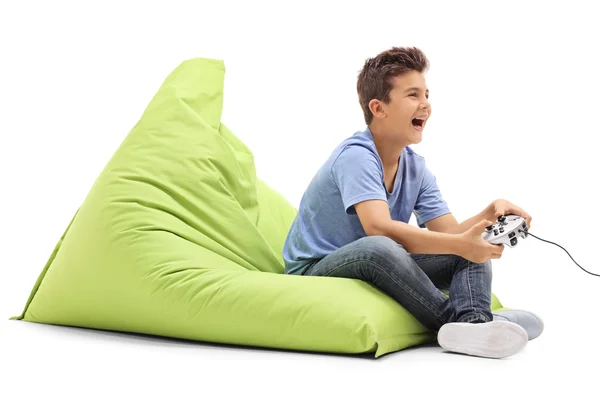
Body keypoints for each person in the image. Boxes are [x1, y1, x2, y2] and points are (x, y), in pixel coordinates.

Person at [282, 46, 543, 359]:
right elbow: (377, 227)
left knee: (466, 251)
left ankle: (473, 324)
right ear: (378, 108)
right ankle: (467, 322)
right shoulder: (356, 156)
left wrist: (488, 214)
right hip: (317, 269)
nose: (426, 105)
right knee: (379, 245)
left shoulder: (415, 168)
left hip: (377, 260)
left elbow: (450, 236)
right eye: (413, 95)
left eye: (427, 94)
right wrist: (461, 243)